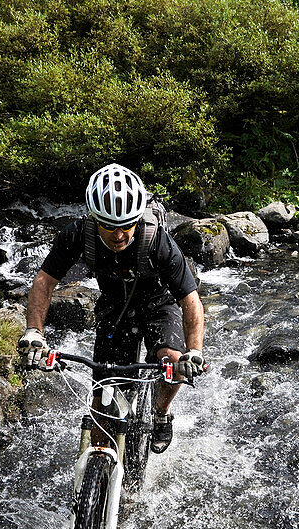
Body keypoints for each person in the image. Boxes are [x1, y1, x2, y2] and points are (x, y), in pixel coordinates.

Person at [17, 163, 205, 452]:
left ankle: (161, 412)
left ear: (137, 219)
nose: (119, 235)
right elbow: (44, 281)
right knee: (102, 399)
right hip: (115, 309)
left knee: (172, 363)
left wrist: (193, 353)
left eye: (126, 225)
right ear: (95, 219)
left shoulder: (157, 240)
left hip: (158, 305)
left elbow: (190, 300)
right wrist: (34, 332)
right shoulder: (79, 234)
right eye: (109, 226)